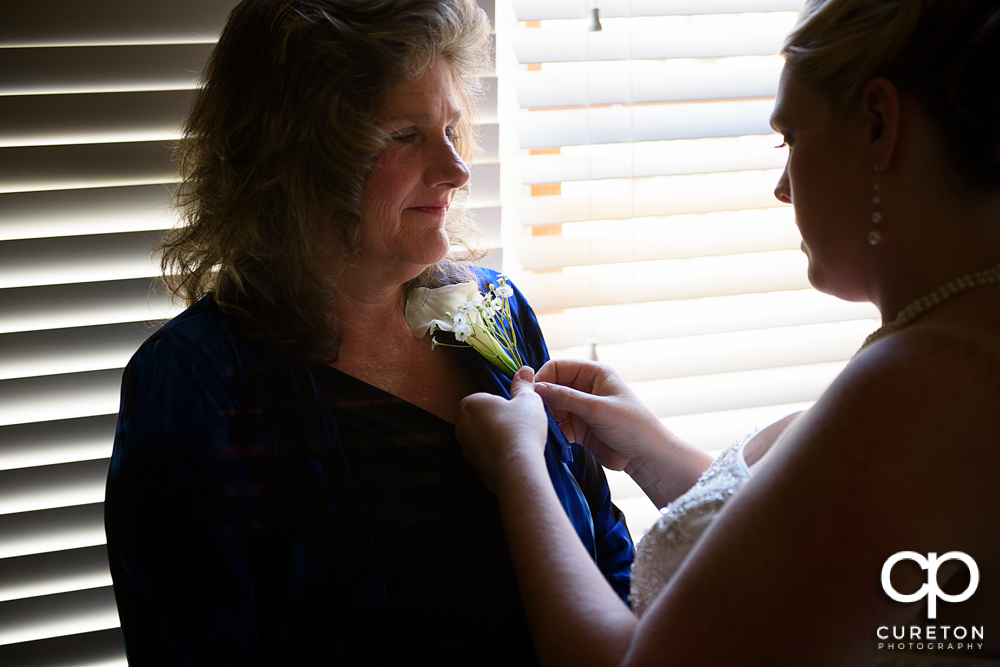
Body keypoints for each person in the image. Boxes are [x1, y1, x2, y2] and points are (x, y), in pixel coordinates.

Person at [455, 0, 1000, 665]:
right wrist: (653, 455)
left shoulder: (918, 382)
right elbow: (813, 567)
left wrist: (520, 467)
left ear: (878, 127)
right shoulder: (957, 337)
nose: (780, 186)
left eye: (790, 138)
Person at [104, 0, 634, 664]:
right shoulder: (194, 385)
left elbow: (606, 547)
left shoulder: (497, 311)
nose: (456, 169)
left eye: (451, 127)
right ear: (297, 163)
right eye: (406, 134)